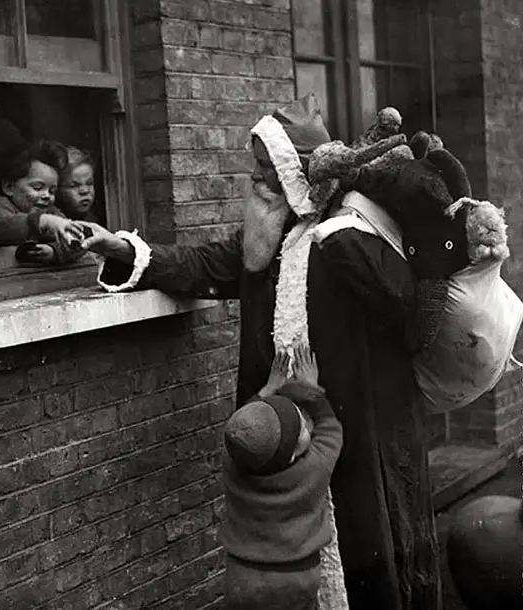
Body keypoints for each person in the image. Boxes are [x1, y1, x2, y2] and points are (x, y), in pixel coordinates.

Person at [79, 94, 441, 609]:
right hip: (288, 426)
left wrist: (343, 243)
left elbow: (402, 303)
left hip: (358, 425)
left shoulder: (354, 233)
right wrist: (127, 251)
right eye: (255, 165)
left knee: (366, 551)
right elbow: (200, 265)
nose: (254, 177)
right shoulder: (268, 236)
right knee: (298, 556)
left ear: (296, 171)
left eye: (265, 167)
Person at [221, 345, 343, 610]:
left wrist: (266, 390)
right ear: (291, 456)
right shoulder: (312, 470)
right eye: (302, 430)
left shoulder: (233, 466)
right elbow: (331, 429)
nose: (305, 425)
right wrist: (311, 389)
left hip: (243, 578)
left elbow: (241, 432)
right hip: (297, 578)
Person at [0, 139, 86, 265]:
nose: (47, 196)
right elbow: (2, 227)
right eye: (37, 188)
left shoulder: (50, 211)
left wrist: (54, 251)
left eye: (52, 191)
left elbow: (79, 241)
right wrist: (43, 221)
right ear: (9, 187)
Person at [56, 146, 100, 222]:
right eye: (74, 186)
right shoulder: (53, 224)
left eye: (89, 183)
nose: (85, 191)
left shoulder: (92, 219)